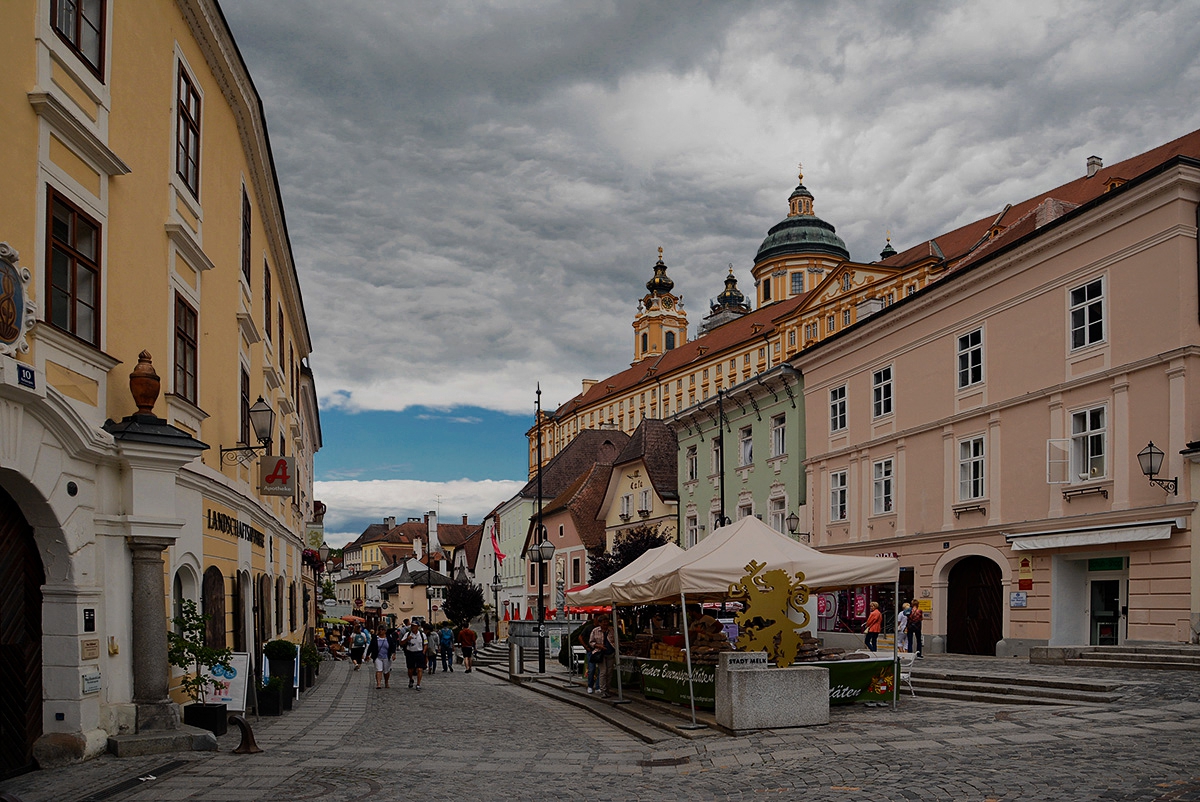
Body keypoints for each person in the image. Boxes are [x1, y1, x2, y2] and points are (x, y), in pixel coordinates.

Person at [588, 617, 615, 698]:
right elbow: (591, 642)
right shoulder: (595, 631)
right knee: (603, 672)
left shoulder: (611, 630)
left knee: (609, 672)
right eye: (604, 622)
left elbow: (616, 640)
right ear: (600, 623)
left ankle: (607, 689)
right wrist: (598, 646)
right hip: (600, 653)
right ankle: (603, 690)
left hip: (610, 653)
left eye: (607, 622)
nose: (605, 624)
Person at [399, 620, 427, 689]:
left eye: (414, 626)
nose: (413, 627)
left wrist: (423, 652)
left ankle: (418, 684)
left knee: (420, 669)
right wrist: (407, 639)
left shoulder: (422, 635)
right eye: (412, 626)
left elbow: (425, 644)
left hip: (419, 652)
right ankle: (411, 679)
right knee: (410, 669)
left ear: (418, 627)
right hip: (410, 653)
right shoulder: (407, 634)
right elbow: (401, 643)